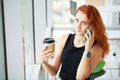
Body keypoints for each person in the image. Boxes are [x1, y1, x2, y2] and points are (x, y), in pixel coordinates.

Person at [40, 4, 109, 80]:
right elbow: (53, 71)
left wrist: (87, 49)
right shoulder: (64, 39)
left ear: (92, 27)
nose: (78, 26)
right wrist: (43, 61)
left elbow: (80, 77)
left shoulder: (97, 48)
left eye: (83, 23)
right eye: (76, 20)